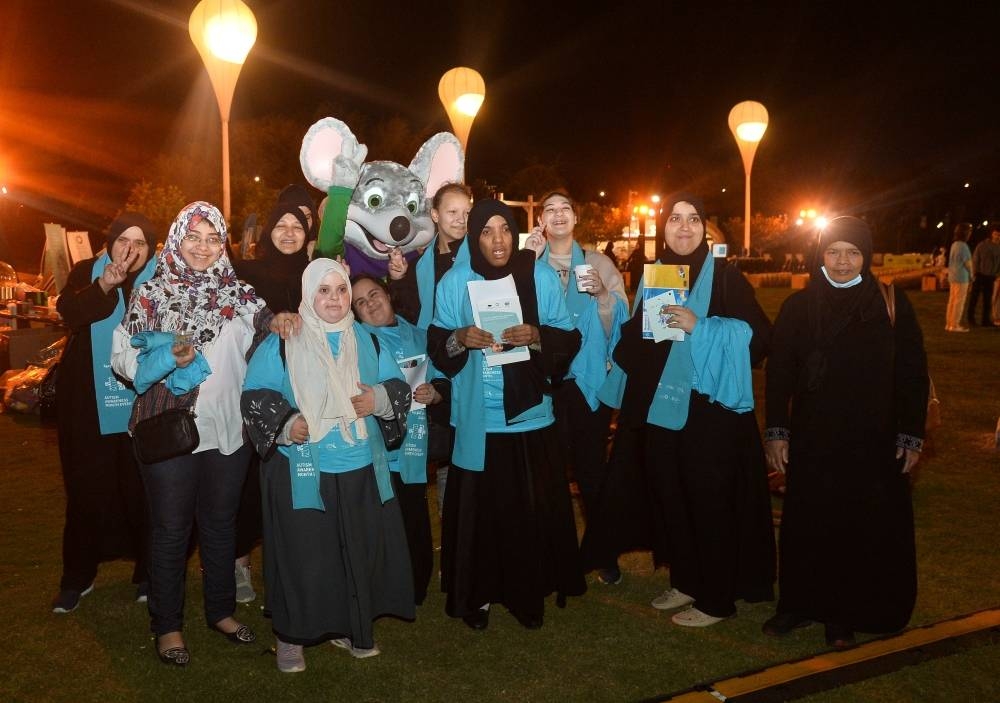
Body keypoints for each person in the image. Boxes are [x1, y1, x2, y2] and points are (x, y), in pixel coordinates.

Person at [584, 194, 775, 628]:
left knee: (709, 504)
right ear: (664, 226)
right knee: (673, 500)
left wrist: (700, 327)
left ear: (704, 228)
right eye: (675, 218)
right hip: (664, 413)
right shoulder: (659, 274)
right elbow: (643, 338)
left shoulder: (726, 278)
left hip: (710, 416)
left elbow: (761, 340)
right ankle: (687, 580)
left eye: (693, 219)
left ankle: (717, 598)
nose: (684, 227)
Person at [111, 201, 269, 666]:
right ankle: (168, 626)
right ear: (177, 240)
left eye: (212, 238)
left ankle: (219, 610)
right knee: (171, 530)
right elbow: (123, 358)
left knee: (221, 526)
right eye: (193, 237)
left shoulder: (243, 298)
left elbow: (268, 350)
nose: (202, 247)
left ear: (223, 244)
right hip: (169, 431)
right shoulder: (151, 294)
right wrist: (165, 360)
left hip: (228, 433)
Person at [762, 216, 929, 648]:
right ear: (820, 253)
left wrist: (911, 436)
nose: (841, 262)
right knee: (806, 524)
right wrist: (777, 431)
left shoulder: (889, 304)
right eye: (833, 251)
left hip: (871, 441)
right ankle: (797, 604)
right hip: (813, 438)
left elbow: (912, 372)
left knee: (856, 527)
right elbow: (779, 373)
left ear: (866, 257)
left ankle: (842, 614)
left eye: (852, 252)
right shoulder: (799, 307)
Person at [242, 259, 415, 672]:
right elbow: (253, 394)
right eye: (324, 290)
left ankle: (350, 625)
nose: (334, 299)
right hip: (304, 468)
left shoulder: (369, 342)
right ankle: (291, 637)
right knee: (304, 556)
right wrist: (288, 423)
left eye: (341, 290)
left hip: (358, 469)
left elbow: (396, 387)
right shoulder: (283, 341)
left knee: (352, 554)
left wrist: (380, 400)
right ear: (307, 294)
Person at [427, 198, 585, 631]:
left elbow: (568, 336)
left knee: (526, 516)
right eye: (485, 231)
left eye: (504, 229)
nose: (497, 240)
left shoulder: (539, 275)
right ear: (474, 237)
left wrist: (536, 336)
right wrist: (461, 337)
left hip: (529, 417)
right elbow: (438, 340)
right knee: (480, 519)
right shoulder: (456, 280)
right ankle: (476, 596)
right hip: (478, 418)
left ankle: (525, 593)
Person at [50, 213, 158, 613]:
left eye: (141, 243)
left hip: (141, 409)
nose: (131, 249)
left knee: (143, 490)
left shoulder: (157, 282)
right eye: (124, 240)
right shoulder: (87, 272)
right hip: (88, 406)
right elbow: (70, 313)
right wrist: (104, 286)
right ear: (110, 242)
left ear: (150, 249)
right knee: (85, 489)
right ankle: (77, 577)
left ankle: (148, 573)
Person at [523, 190, 628, 585]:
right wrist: (526, 262)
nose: (558, 214)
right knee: (548, 474)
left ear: (576, 218)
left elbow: (622, 319)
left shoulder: (598, 262)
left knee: (591, 471)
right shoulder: (533, 262)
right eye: (549, 209)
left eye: (565, 207)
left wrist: (602, 295)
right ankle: (555, 551)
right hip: (546, 382)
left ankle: (602, 552)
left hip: (587, 382)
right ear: (541, 221)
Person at [231, 199, 313, 602]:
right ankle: (239, 563)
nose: (288, 232)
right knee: (246, 479)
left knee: (292, 478)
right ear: (268, 232)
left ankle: (291, 559)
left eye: (296, 226)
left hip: (303, 389)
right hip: (256, 386)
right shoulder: (245, 273)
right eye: (280, 224)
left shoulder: (314, 274)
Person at [352, 273, 450, 605]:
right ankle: (380, 587)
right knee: (378, 522)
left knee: (413, 515)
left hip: (414, 445)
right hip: (374, 446)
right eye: (360, 302)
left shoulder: (419, 336)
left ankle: (416, 583)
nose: (370, 303)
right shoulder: (357, 340)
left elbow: (442, 380)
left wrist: (435, 393)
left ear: (388, 294)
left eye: (373, 294)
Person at [387, 182, 472, 514]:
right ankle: (450, 533)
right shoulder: (421, 264)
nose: (460, 220)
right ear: (435, 215)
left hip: (473, 364)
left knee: (467, 451)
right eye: (452, 212)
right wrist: (398, 278)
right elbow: (410, 315)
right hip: (435, 368)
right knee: (442, 452)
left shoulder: (480, 255)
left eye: (466, 213)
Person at [967, 225, 1000, 327]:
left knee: (987, 299)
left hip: (991, 276)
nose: (997, 236)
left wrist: (997, 273)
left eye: (999, 235)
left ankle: (985, 320)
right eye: (996, 234)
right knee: (974, 298)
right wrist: (974, 273)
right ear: (992, 234)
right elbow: (976, 259)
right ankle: (971, 318)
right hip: (980, 274)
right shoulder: (982, 245)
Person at [945, 222, 973, 332]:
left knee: (952, 301)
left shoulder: (954, 245)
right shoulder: (964, 246)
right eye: (969, 231)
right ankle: (955, 325)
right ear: (965, 233)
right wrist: (972, 275)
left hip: (952, 276)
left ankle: (949, 323)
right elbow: (968, 263)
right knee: (959, 302)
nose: (970, 234)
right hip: (962, 277)